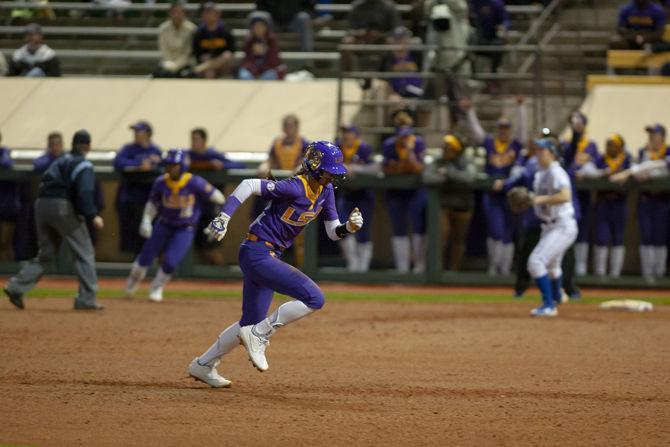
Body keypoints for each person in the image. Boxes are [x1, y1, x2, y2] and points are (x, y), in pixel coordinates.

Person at [187, 141, 364, 387]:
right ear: (314, 167)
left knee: (248, 323)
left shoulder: (326, 192)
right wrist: (224, 217)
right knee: (314, 298)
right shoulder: (294, 186)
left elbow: (333, 232)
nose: (331, 176)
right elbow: (248, 184)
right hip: (258, 252)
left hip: (265, 254)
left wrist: (349, 227)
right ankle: (261, 333)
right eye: (328, 171)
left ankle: (203, 364)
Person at [3, 130, 104, 311]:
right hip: (62, 206)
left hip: (41, 205)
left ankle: (16, 286)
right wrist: (92, 215)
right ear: (87, 146)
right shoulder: (83, 165)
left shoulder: (59, 160)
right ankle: (87, 299)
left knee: (46, 254)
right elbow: (85, 192)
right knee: (84, 252)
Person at [125, 149, 225, 302]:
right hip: (164, 223)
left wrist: (218, 219)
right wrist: (146, 220)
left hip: (186, 227)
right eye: (169, 165)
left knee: (171, 261)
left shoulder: (194, 182)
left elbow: (218, 198)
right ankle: (133, 281)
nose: (171, 168)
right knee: (145, 257)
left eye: (174, 165)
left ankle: (157, 286)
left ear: (183, 165)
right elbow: (153, 203)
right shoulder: (161, 182)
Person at [461, 96, 526, 275]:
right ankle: (493, 267)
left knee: (508, 232)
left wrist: (521, 109)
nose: (503, 131)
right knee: (495, 230)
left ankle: (504, 269)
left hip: (510, 193)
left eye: (506, 127)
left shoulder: (515, 144)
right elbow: (476, 132)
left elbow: (523, 132)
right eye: (501, 127)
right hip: (492, 193)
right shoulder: (490, 142)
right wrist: (470, 112)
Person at [611, 123, 668, 282]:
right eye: (650, 134)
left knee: (660, 237)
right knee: (646, 235)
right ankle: (648, 274)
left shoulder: (667, 151)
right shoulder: (643, 152)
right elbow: (637, 167)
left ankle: (660, 274)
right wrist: (639, 169)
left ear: (662, 136)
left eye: (655, 134)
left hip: (662, 200)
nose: (652, 137)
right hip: (645, 200)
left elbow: (661, 166)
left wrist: (642, 172)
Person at [527, 138, 577, 317]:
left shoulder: (556, 171)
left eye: (543, 150)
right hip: (550, 225)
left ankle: (549, 305)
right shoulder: (541, 173)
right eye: (537, 150)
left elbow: (565, 195)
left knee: (536, 261)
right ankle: (556, 296)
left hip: (562, 224)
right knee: (553, 266)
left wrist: (538, 199)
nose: (538, 153)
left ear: (552, 153)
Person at [188, 127, 244, 265]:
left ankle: (219, 277)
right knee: (198, 247)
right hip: (194, 208)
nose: (194, 143)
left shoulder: (212, 154)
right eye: (192, 139)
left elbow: (239, 165)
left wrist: (221, 165)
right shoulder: (188, 156)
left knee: (212, 246)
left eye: (197, 139)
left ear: (204, 141)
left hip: (212, 207)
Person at [578, 134, 631, 278]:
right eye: (608, 144)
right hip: (603, 201)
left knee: (618, 238)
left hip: (619, 202)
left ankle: (615, 273)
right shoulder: (600, 159)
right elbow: (586, 170)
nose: (610, 147)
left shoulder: (626, 159)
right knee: (602, 236)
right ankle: (600, 273)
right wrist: (602, 173)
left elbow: (634, 172)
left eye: (613, 144)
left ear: (620, 146)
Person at [424, 134, 477, 270]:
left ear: (456, 150)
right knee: (442, 237)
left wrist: (448, 174)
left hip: (463, 204)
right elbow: (427, 177)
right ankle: (437, 269)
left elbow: (469, 177)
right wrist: (445, 178)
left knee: (459, 240)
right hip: (444, 204)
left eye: (449, 148)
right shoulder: (438, 160)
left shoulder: (465, 161)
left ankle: (454, 270)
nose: (445, 150)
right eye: (444, 148)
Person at [382, 125, 427, 273]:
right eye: (402, 136)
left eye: (408, 136)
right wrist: (402, 167)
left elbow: (418, 168)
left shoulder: (418, 143)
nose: (405, 139)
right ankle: (402, 269)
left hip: (415, 191)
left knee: (418, 227)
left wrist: (408, 155)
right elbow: (386, 170)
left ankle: (420, 267)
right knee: (398, 229)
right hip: (395, 191)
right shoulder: (389, 145)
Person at [113, 121, 162, 255]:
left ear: (147, 134)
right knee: (131, 235)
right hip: (130, 198)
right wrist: (138, 164)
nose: (135, 134)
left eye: (139, 131)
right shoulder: (128, 149)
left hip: (149, 199)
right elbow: (118, 162)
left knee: (150, 234)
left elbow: (162, 167)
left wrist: (153, 164)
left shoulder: (155, 150)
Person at [560, 111, 599, 277]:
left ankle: (579, 268)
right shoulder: (564, 144)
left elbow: (596, 165)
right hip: (565, 197)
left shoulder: (591, 145)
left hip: (580, 196)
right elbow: (569, 153)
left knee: (580, 231)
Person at [423, 0, 472, 128]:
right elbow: (426, 9)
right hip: (436, 62)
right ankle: (420, 138)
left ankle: (453, 139)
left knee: (457, 107)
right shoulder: (433, 5)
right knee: (426, 103)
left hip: (456, 62)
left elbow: (462, 8)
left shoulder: (457, 9)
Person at [335, 125, 377, 272]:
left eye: (349, 132)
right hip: (346, 194)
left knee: (363, 231)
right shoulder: (337, 148)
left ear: (356, 134)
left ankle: (363, 268)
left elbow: (375, 168)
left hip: (364, 194)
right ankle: (352, 264)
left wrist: (357, 169)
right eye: (344, 133)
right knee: (341, 227)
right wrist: (345, 168)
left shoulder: (364, 148)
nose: (346, 136)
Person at [373, 26, 424, 126]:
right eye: (397, 39)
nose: (400, 42)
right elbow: (381, 78)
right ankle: (389, 134)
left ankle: (418, 136)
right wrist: (392, 93)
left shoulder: (416, 54)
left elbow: (424, 75)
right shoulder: (387, 57)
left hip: (415, 92)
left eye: (403, 38)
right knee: (395, 103)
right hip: (394, 93)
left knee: (422, 104)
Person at [341, 0, 401, 72]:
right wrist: (359, 33)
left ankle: (387, 75)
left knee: (393, 41)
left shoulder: (389, 6)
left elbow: (396, 29)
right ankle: (348, 75)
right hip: (361, 39)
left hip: (382, 40)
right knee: (347, 42)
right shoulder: (357, 5)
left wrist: (380, 34)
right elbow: (349, 29)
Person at [469, 0, 508, 90]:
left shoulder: (497, 3)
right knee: (469, 42)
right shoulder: (473, 2)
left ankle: (493, 78)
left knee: (498, 46)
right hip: (478, 37)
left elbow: (505, 21)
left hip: (494, 37)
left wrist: (503, 26)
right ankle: (472, 76)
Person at [193, 2, 236, 79]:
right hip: (206, 63)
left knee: (227, 56)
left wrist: (215, 61)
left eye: (210, 13)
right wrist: (203, 58)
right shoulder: (199, 32)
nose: (207, 16)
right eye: (205, 13)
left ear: (217, 15)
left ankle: (205, 67)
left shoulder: (225, 30)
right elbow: (197, 53)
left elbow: (231, 51)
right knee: (209, 72)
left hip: (223, 63)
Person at [155, 1, 197, 78]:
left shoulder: (192, 29)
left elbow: (188, 52)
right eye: (175, 12)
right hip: (167, 63)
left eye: (180, 12)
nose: (178, 15)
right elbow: (163, 49)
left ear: (184, 14)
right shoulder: (163, 28)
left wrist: (177, 65)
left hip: (185, 63)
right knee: (160, 74)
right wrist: (170, 64)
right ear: (170, 13)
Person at [239, 11, 284, 80]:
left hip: (268, 69)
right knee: (244, 75)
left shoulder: (272, 40)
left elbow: (274, 61)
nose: (258, 29)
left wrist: (266, 51)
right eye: (256, 26)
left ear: (267, 27)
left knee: (269, 76)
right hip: (252, 69)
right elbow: (247, 60)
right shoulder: (249, 40)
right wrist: (255, 71)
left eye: (261, 26)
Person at [0, 135, 20, 262]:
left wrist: (4, 151)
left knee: (5, 243)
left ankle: (8, 275)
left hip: (7, 206)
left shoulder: (5, 154)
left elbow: (7, 164)